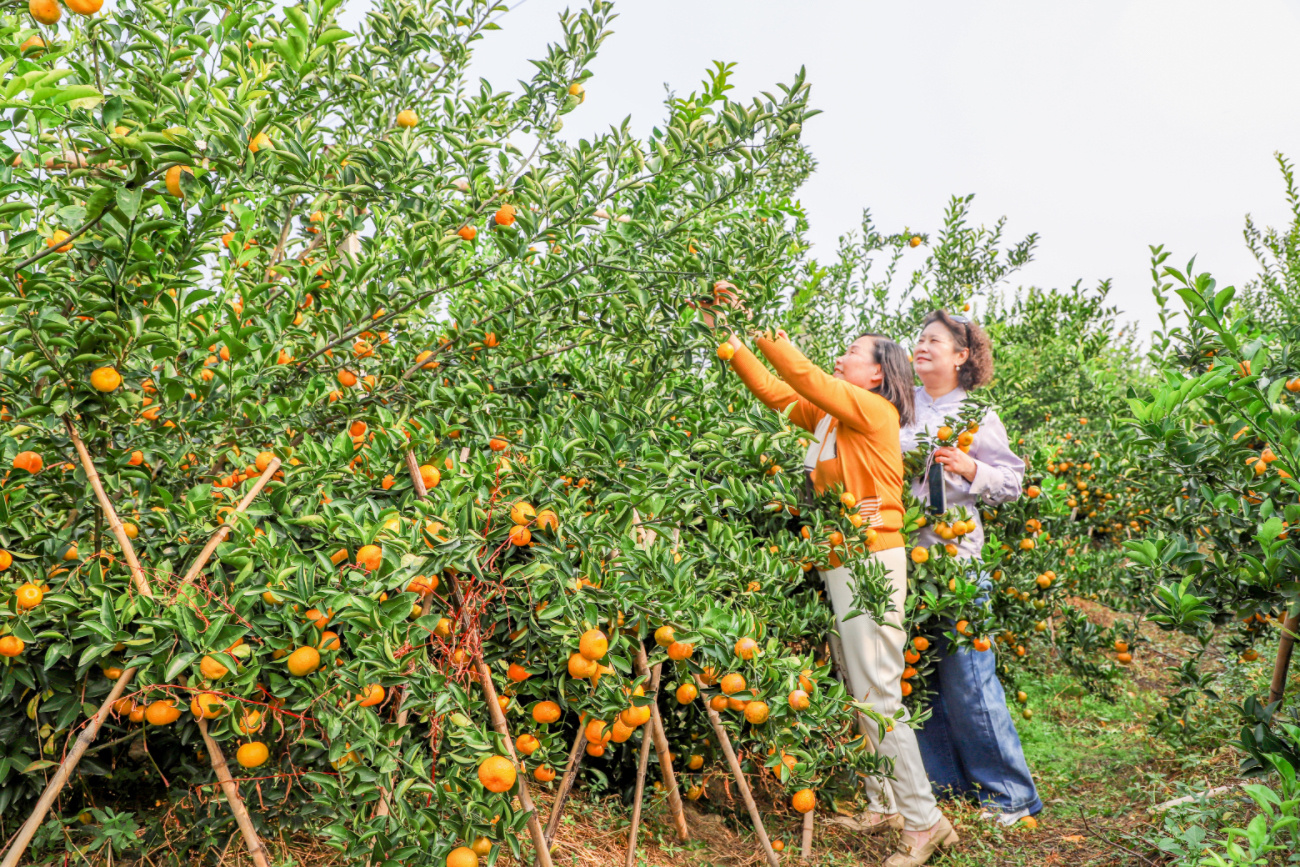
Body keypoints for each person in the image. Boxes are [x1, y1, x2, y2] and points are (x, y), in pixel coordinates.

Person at [726, 329, 959, 867]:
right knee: (862, 687)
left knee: (879, 693)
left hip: (873, 558)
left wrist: (767, 335)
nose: (841, 357)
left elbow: (802, 375)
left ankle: (925, 822)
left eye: (852, 352)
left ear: (877, 372)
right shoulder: (831, 418)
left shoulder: (873, 411)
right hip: (844, 560)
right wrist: (735, 343)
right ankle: (883, 804)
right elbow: (780, 392)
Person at [897, 309, 1043, 826]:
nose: (922, 346)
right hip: (903, 562)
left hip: (956, 562)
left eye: (934, 340)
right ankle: (948, 789)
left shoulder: (977, 413)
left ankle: (1009, 796)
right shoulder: (900, 407)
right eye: (918, 339)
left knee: (970, 680)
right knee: (919, 678)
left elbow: (1012, 482)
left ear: (962, 356)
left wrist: (971, 468)